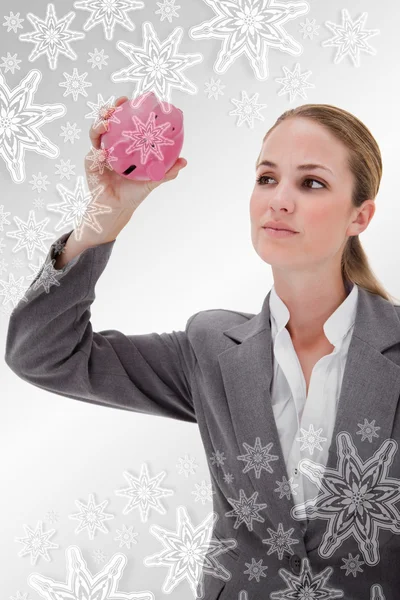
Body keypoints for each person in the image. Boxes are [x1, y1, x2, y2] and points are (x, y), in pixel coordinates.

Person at [5, 99, 400, 600]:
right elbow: (42, 354)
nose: (279, 200)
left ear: (360, 216)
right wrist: (108, 211)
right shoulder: (210, 350)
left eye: (312, 183)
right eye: (266, 178)